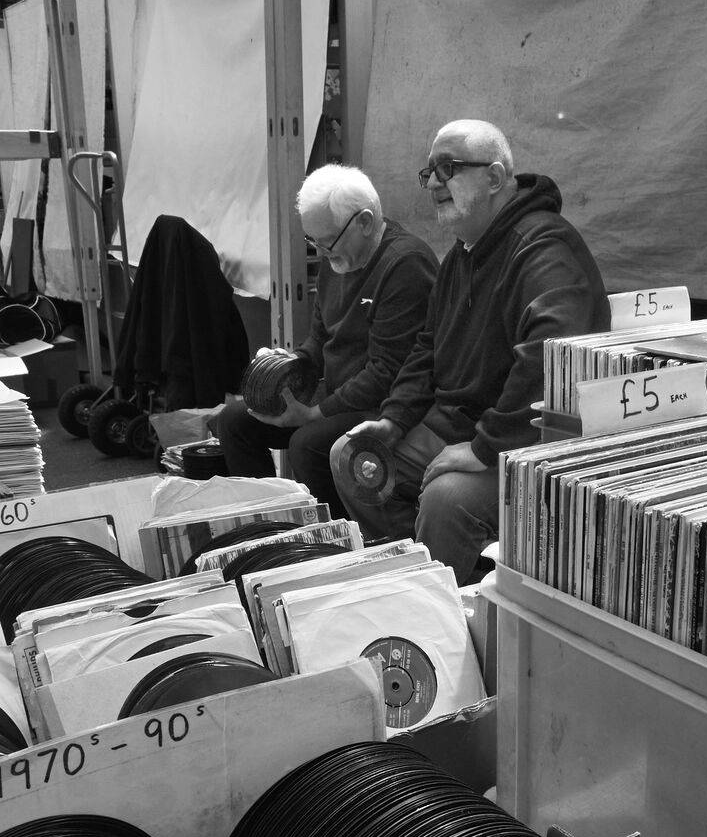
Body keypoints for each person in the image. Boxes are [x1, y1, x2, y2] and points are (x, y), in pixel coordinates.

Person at [334, 119, 609, 583]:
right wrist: (394, 418)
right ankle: (418, 571)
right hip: (459, 426)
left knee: (447, 501)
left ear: (495, 177)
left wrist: (484, 449)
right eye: (429, 172)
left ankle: (438, 602)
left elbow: (551, 354)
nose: (433, 183)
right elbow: (428, 346)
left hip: (530, 444)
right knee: (353, 458)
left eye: (448, 168)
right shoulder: (461, 255)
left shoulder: (544, 247)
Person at [217, 165, 437, 517]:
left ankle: (338, 537)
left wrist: (314, 413)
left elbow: (387, 371)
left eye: (327, 241)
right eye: (313, 241)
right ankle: (271, 524)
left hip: (385, 406)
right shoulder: (339, 258)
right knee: (235, 421)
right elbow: (320, 338)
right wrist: (288, 366)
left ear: (365, 222)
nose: (321, 251)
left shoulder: (405, 264)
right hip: (340, 399)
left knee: (308, 444)